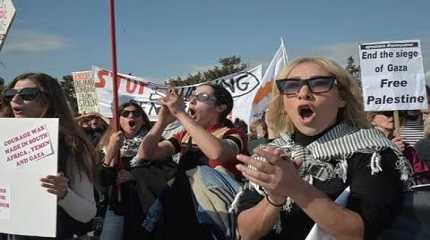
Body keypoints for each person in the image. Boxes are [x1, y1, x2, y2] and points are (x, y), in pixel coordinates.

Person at [233, 57, 412, 240]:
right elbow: (245, 233)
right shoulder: (271, 154)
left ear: (342, 98)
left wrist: (296, 188)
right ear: (284, 104)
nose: (303, 93)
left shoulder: (374, 153)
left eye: (319, 84)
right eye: (292, 86)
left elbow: (361, 233)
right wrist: (274, 197)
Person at [133, 83, 247, 239]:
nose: (192, 102)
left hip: (215, 215)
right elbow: (146, 153)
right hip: (182, 209)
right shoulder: (184, 135)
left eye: (201, 97)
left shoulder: (233, 133)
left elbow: (216, 152)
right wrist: (162, 122)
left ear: (221, 107)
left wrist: (180, 113)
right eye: (192, 97)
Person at [2, 73, 96, 239]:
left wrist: (64, 194)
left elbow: (87, 213)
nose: (15, 100)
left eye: (27, 94)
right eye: (10, 94)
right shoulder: (3, 140)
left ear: (49, 100)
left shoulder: (71, 145)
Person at [96, 100, 162, 240]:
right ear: (118, 120)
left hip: (146, 207)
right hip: (117, 205)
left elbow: (166, 173)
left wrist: (134, 176)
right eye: (125, 114)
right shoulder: (106, 144)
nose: (131, 116)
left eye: (136, 113)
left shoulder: (157, 142)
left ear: (143, 120)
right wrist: (111, 151)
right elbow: (101, 181)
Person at [368, 111, 430, 184]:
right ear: (372, 119)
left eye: (398, 113)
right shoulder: (365, 145)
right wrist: (390, 152)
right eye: (387, 113)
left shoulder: (406, 148)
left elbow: (423, 174)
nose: (392, 116)